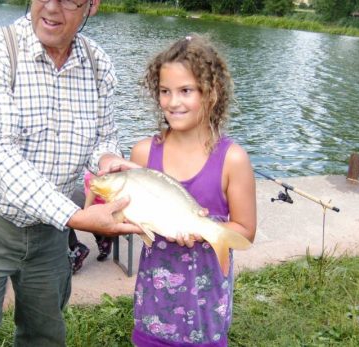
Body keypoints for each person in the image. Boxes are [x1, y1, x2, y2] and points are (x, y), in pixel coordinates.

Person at [0, 0, 141, 346]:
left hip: (51, 227)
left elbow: (104, 137)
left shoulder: (98, 65)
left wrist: (108, 160)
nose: (51, 7)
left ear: (92, 5)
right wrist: (77, 217)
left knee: (44, 334)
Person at [129, 34, 257, 346]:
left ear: (211, 93)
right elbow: (135, 221)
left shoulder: (232, 159)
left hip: (205, 306)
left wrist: (198, 229)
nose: (173, 102)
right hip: (153, 305)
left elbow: (245, 230)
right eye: (164, 91)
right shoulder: (143, 154)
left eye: (185, 90)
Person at [68, 171, 113, 274]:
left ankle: (77, 247)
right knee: (61, 204)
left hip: (104, 204)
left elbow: (95, 186)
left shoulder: (103, 163)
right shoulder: (92, 160)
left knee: (62, 212)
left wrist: (86, 211)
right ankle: (102, 238)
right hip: (92, 198)